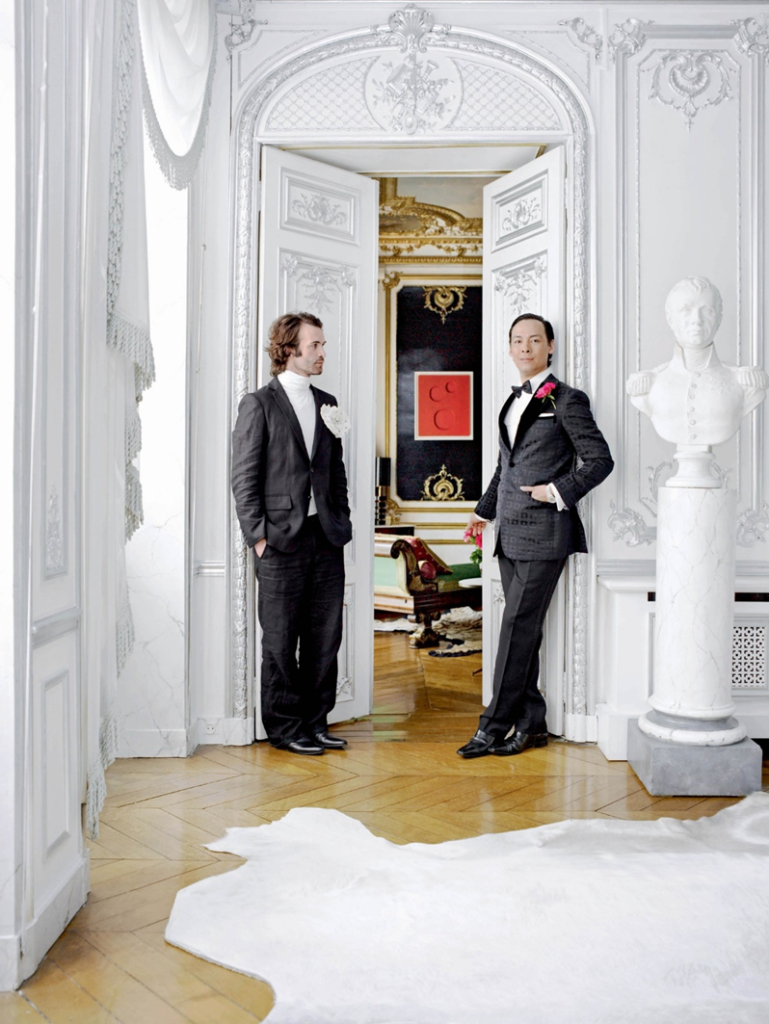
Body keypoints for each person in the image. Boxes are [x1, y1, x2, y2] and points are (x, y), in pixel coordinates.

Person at [457, 313, 614, 758]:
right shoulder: (511, 402)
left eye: (534, 340)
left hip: (546, 533)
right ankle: (532, 726)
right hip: (508, 532)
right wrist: (483, 512)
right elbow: (505, 467)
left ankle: (492, 726)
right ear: (509, 348)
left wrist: (556, 491)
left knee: (515, 628)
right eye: (517, 340)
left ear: (550, 347)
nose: (524, 347)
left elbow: (600, 461)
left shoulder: (568, 400)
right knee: (523, 632)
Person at [231, 312, 352, 756]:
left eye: (322, 344)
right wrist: (258, 537)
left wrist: (342, 518)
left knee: (325, 637)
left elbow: (335, 471)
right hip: (279, 541)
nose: (322, 353)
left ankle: (316, 723)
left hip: (326, 537)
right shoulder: (258, 404)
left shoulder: (327, 402)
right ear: (289, 349)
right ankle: (284, 729)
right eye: (315, 345)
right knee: (281, 641)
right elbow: (243, 478)